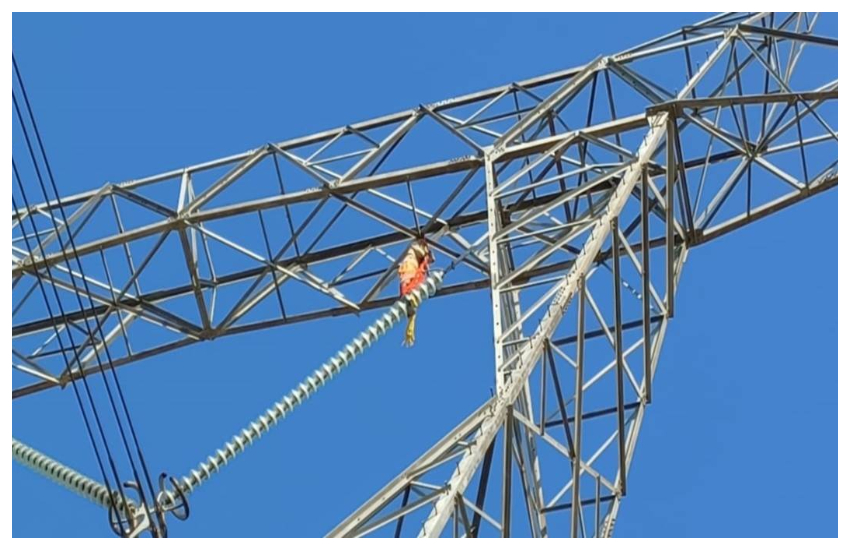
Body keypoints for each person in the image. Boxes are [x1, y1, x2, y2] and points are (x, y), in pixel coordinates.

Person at [398, 239, 434, 347]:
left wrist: (427, 259)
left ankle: (408, 299)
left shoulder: (415, 257)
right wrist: (427, 256)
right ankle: (408, 297)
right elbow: (419, 251)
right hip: (409, 271)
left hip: (410, 274)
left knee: (409, 284)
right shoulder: (414, 251)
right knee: (408, 282)